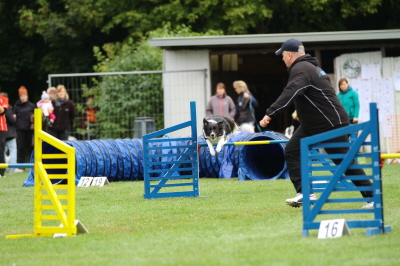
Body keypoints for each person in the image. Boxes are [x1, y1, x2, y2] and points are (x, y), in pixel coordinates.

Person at [259, 38, 373, 208]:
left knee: (343, 161)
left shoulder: (301, 68)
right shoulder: (311, 68)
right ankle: (306, 193)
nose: (282, 59)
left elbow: (292, 91)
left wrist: (270, 113)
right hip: (314, 124)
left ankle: (372, 197)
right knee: (292, 151)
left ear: (289, 55)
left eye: (282, 55)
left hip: (329, 123)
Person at [13, 86, 36, 168]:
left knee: (31, 148)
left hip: (30, 130)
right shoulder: (17, 106)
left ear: (27, 96)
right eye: (21, 96)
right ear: (19, 97)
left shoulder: (31, 105)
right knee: (20, 148)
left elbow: (37, 116)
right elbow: (14, 118)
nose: (23, 97)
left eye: (24, 96)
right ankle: (20, 166)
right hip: (20, 130)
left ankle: (33, 164)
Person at [0, 92, 22, 173]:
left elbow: (2, 112)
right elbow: (12, 120)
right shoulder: (9, 109)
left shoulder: (6, 106)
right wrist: (14, 117)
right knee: (12, 150)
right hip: (8, 133)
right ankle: (12, 168)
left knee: (3, 151)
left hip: (4, 131)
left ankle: (5, 169)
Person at [0, 93, 8, 177]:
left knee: (0, 151)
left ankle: (1, 173)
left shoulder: (3, 99)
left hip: (0, 128)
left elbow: (2, 111)